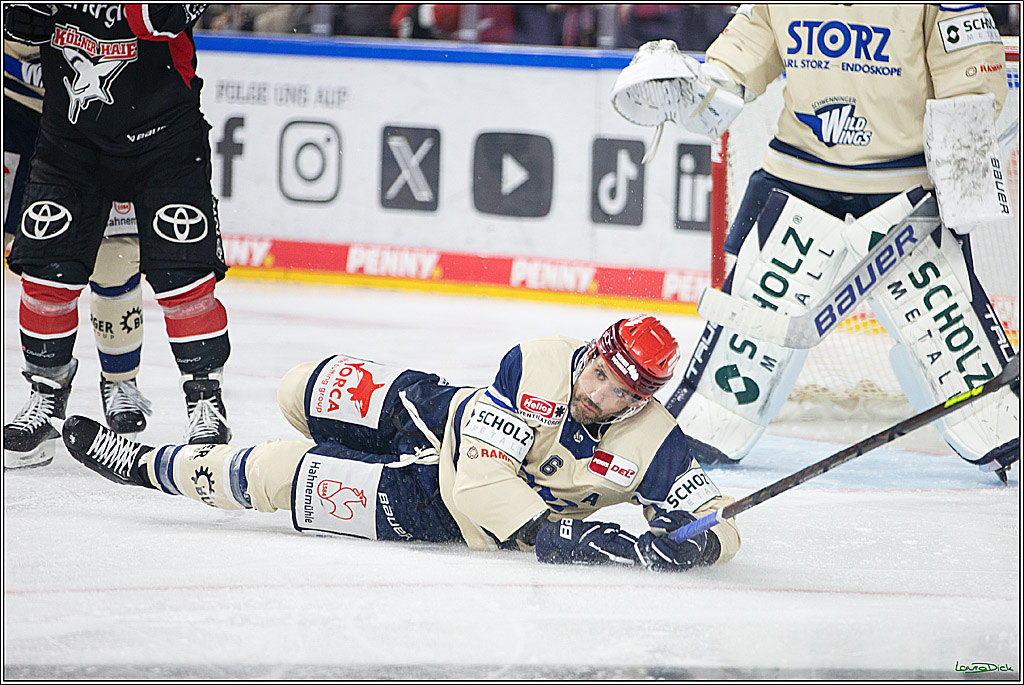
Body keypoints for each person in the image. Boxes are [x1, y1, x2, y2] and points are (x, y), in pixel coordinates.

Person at [610, 5, 1019, 481]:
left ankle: (998, 435)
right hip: (798, 178)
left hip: (902, 189)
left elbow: (972, 86)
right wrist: (696, 93)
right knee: (747, 334)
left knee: (955, 344)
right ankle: (707, 433)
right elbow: (738, 63)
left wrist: (957, 181)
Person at [59, 316, 741, 571]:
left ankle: (148, 465)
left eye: (619, 393)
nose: (597, 394)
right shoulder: (537, 357)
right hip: (446, 416)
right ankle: (305, 412)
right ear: (591, 351)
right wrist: (561, 534)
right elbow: (484, 470)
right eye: (597, 373)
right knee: (302, 387)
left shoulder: (654, 440)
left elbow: (714, 511)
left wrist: (704, 539)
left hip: (435, 505)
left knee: (276, 471)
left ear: (642, 400)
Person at [3, 4, 233, 470]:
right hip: (70, 140)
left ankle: (206, 403)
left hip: (165, 139)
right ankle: (46, 396)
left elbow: (159, 19)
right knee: (48, 278)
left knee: (184, 283)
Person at [5, 39, 152, 455]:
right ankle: (45, 390)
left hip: (98, 124)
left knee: (115, 256)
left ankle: (121, 382)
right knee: (46, 267)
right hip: (15, 113)